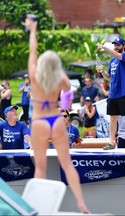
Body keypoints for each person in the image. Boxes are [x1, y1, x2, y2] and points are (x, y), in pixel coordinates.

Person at [22, 16, 89, 213]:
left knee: (40, 168)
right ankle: (81, 203)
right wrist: (66, 103)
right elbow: (69, 90)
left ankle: (37, 207)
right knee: (67, 165)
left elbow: (32, 50)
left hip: (40, 121)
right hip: (56, 120)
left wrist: (33, 30)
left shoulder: (33, 74)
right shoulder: (60, 78)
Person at [96, 36, 125, 150]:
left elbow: (117, 55)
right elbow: (108, 76)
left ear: (124, 46)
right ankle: (111, 142)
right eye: (114, 45)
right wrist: (102, 71)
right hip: (113, 93)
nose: (116, 47)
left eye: (118, 45)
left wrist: (104, 47)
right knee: (113, 118)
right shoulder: (112, 61)